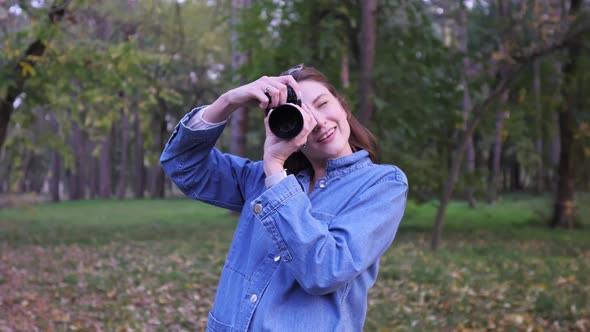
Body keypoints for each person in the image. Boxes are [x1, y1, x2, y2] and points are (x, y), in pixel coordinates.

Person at [160, 64, 408, 331]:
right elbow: (183, 166)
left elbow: (325, 270)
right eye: (302, 115)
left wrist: (276, 170)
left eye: (323, 104)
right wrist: (228, 100)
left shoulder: (382, 184)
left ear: (343, 106)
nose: (319, 122)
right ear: (285, 127)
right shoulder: (259, 178)